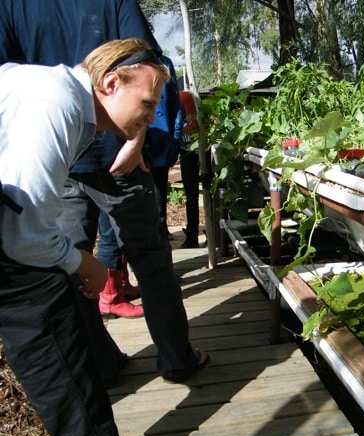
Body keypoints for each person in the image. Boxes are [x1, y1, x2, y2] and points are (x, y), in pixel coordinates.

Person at [0, 0, 210, 382]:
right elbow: (149, 65)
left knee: (68, 262)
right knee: (149, 256)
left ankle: (101, 363)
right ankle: (177, 358)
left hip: (56, 153)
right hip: (108, 149)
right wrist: (137, 136)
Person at [0, 38, 178, 436]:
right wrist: (85, 264)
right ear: (111, 82)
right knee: (44, 318)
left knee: (55, 306)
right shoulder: (53, 104)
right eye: (148, 101)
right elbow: (22, 237)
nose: (151, 117)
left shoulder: (75, 109)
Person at [148, 54, 183, 240]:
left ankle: (160, 234)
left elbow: (174, 103)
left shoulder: (163, 62)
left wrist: (175, 138)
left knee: (159, 195)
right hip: (132, 139)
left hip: (160, 142)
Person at [178, 90, 202, 248]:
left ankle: (193, 235)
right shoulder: (182, 96)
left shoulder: (183, 97)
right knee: (192, 194)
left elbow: (193, 125)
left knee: (192, 194)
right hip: (188, 149)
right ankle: (193, 233)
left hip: (192, 150)